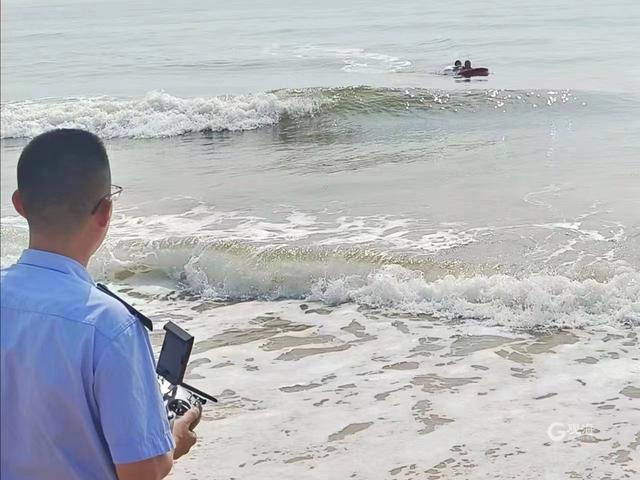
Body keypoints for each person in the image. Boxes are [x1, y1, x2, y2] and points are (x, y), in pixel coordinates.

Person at [0, 129, 200, 480]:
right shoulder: (109, 325)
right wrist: (174, 441)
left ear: (19, 204)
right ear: (105, 211)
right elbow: (142, 473)